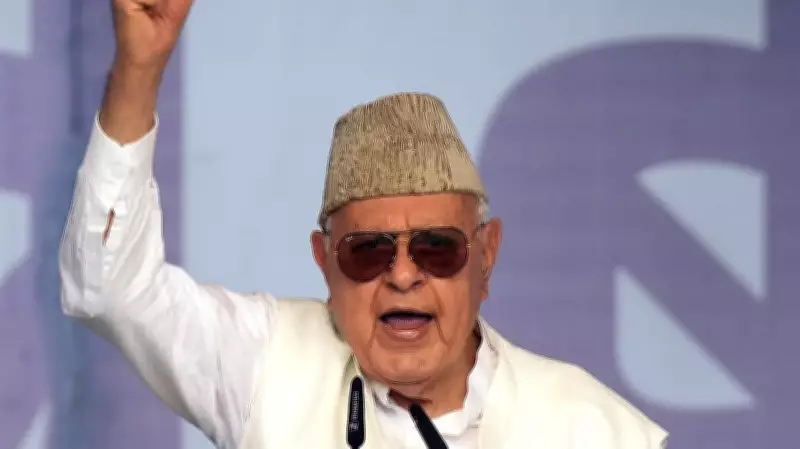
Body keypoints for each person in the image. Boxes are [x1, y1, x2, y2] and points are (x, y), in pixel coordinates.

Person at [59, 0, 669, 448]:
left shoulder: (592, 429)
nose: (402, 275)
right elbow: (110, 287)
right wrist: (139, 68)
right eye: (368, 251)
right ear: (324, 263)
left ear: (486, 256)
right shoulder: (268, 366)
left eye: (437, 247)